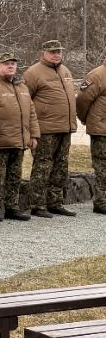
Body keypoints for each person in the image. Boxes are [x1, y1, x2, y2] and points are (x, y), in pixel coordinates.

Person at [0, 53, 39, 221]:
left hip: (18, 141)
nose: (10, 66)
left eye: (13, 63)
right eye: (6, 64)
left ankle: (12, 206)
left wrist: (33, 135)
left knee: (14, 176)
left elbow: (31, 113)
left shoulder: (22, 87)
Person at [23, 41, 80, 218]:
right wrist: (31, 130)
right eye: (52, 52)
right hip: (45, 129)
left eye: (59, 52)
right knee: (43, 166)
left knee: (61, 166)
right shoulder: (33, 73)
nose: (56, 55)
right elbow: (25, 101)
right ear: (43, 53)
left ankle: (55, 202)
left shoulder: (65, 71)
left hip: (65, 127)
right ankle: (37, 204)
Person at [77, 53, 106, 216]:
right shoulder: (97, 75)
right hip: (101, 129)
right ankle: (101, 201)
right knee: (102, 166)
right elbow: (82, 100)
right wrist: (86, 119)